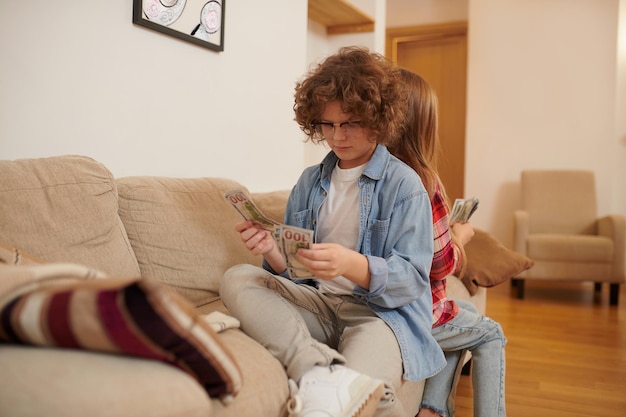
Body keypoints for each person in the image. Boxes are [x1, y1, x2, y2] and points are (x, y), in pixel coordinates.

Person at [219, 46, 445, 417]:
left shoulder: (404, 185)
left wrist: (350, 264)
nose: (337, 136)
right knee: (238, 278)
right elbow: (296, 270)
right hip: (318, 305)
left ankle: (337, 385)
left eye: (350, 123)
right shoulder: (310, 182)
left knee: (358, 397)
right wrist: (272, 251)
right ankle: (317, 371)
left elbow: (412, 280)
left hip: (378, 317)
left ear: (378, 118)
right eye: (328, 124)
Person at [388, 68, 507, 417]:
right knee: (492, 334)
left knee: (465, 312)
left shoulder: (379, 173)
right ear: (425, 124)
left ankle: (432, 409)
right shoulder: (424, 181)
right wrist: (459, 237)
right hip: (415, 314)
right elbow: (441, 264)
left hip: (399, 304)